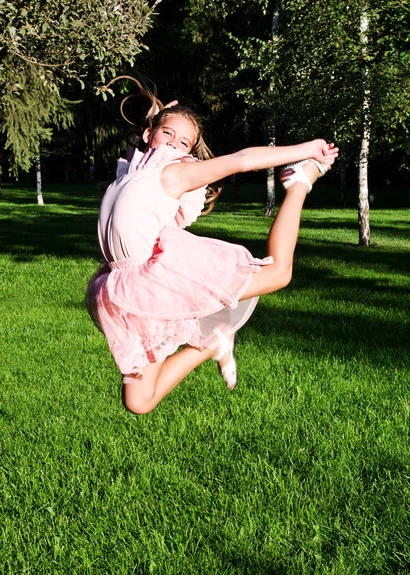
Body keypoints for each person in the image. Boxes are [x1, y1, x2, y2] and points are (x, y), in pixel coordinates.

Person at [86, 82, 338, 415]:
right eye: (168, 135)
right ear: (149, 136)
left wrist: (306, 148)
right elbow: (144, 142)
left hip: (151, 278)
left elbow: (243, 159)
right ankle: (213, 342)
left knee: (279, 273)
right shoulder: (134, 167)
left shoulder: (173, 173)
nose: (174, 144)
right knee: (138, 402)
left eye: (184, 142)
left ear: (188, 151)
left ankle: (299, 183)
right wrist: (157, 117)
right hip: (124, 284)